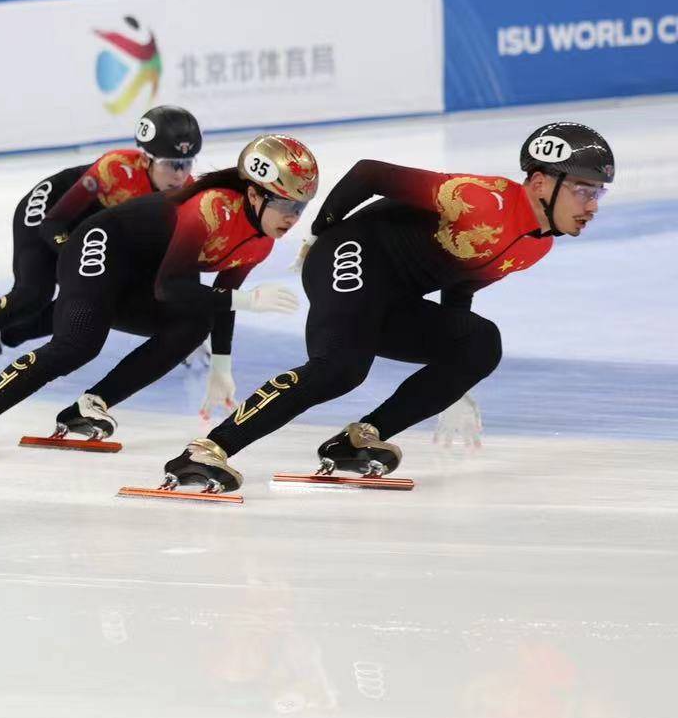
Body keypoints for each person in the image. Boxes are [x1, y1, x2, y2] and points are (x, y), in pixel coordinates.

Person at [170, 123, 612, 494]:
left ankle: (360, 439)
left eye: (599, 194)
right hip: (350, 253)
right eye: (583, 191)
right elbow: (371, 174)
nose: (591, 207)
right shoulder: (480, 198)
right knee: (340, 368)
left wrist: (455, 379)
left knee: (480, 343)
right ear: (540, 184)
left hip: (391, 296)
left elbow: (460, 289)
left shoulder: (536, 247)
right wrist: (320, 234)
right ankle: (208, 450)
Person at [0, 135, 317, 458]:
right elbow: (172, 288)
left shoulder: (260, 242)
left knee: (196, 322)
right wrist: (246, 302)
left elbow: (218, 296)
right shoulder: (210, 209)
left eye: (301, 207)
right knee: (77, 345)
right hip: (99, 245)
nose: (292, 217)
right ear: (253, 195)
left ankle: (90, 406)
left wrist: (222, 367)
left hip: (139, 273)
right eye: (285, 204)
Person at [0, 107, 203, 396]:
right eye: (171, 165)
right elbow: (54, 222)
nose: (179, 175)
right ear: (146, 158)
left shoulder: (188, 197)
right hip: (49, 212)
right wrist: (78, 261)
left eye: (186, 164)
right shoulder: (115, 170)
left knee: (93, 304)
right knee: (32, 294)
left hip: (92, 234)